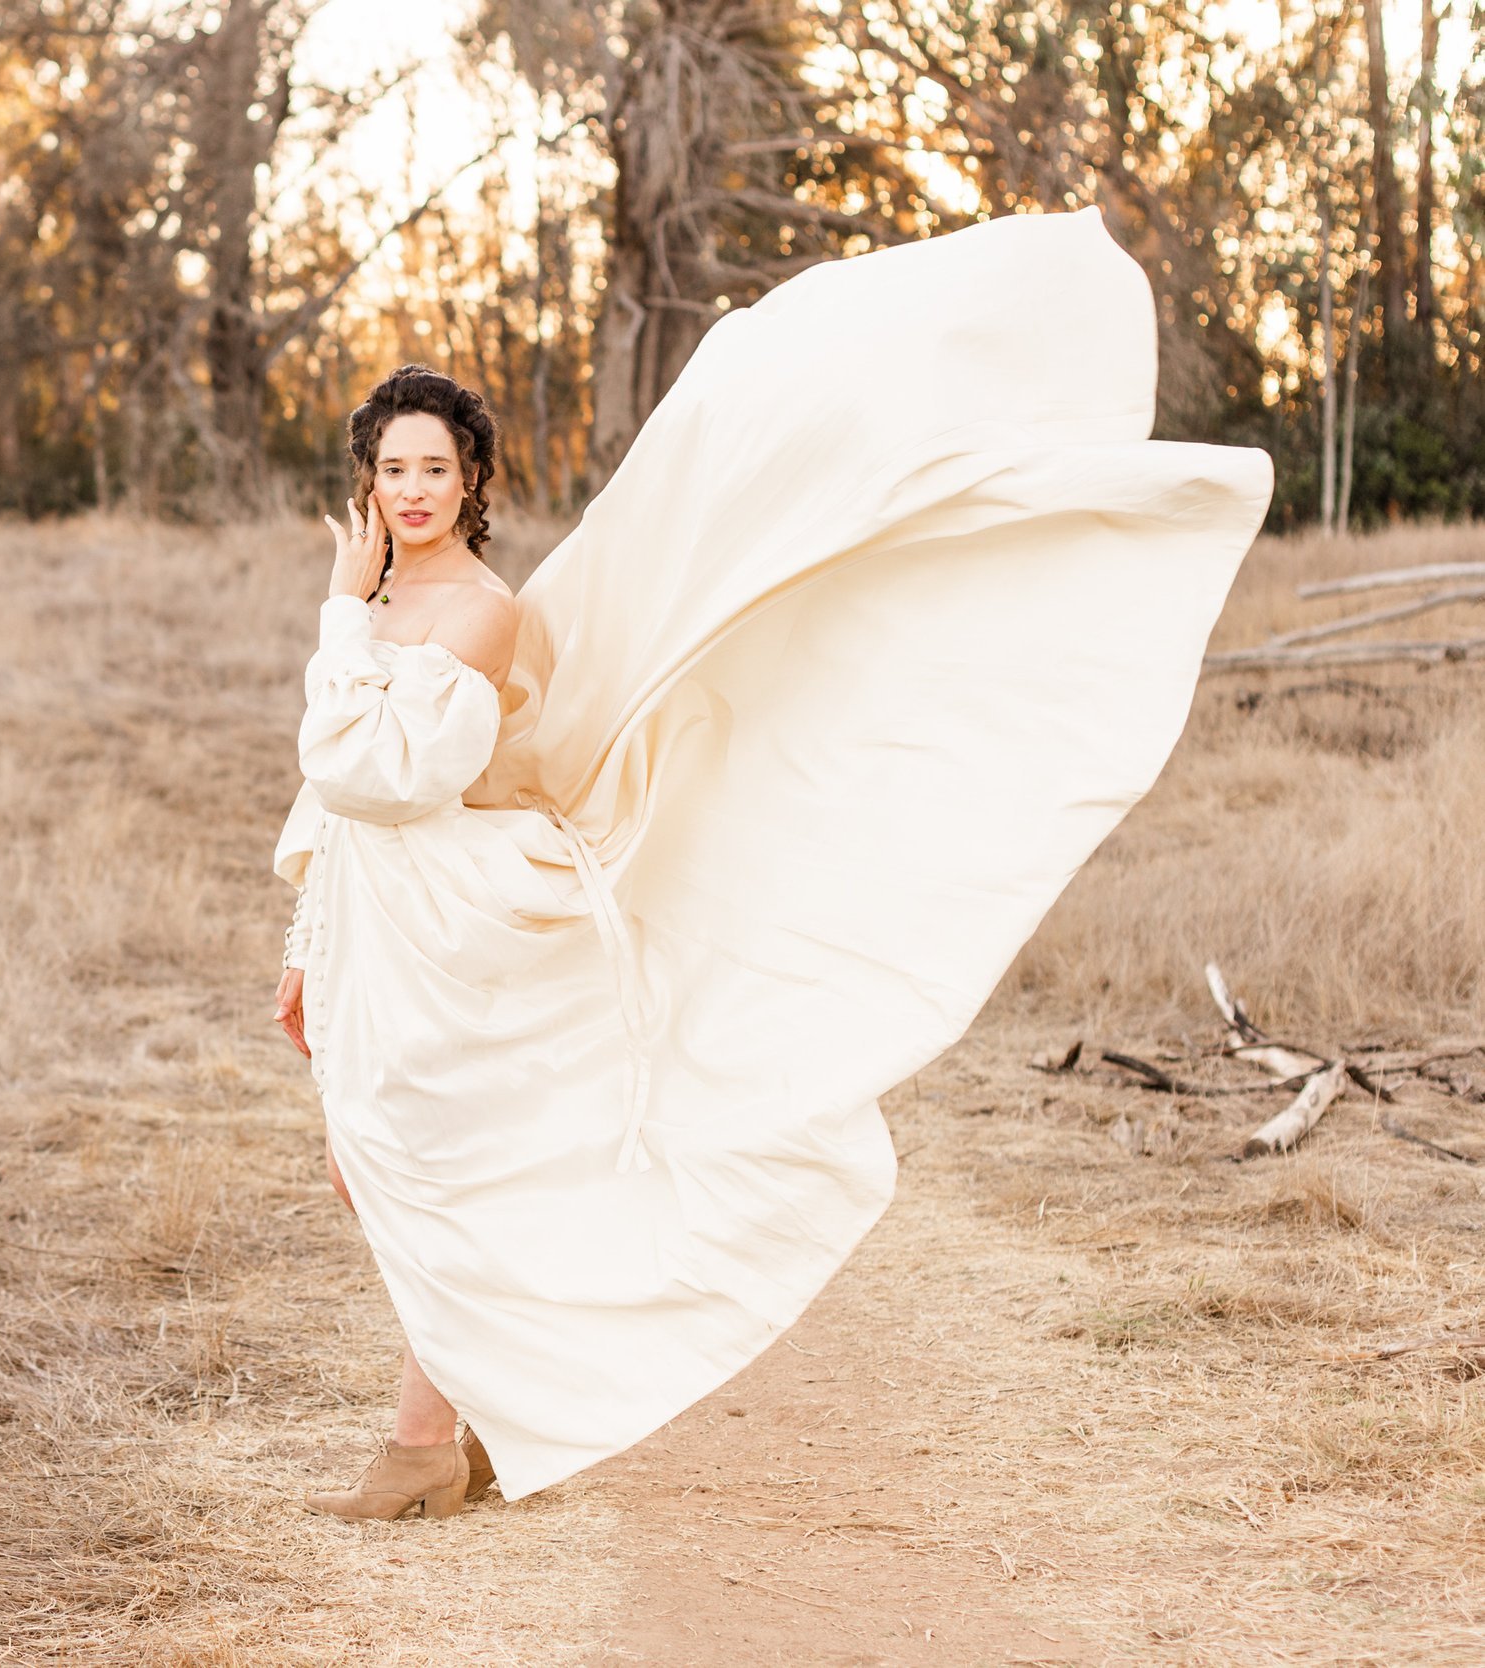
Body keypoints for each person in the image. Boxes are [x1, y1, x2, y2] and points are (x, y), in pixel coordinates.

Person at [269, 206, 1274, 1521]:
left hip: (451, 911)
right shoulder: (387, 601)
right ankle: (451, 1423)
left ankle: (419, 1441)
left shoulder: (477, 610)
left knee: (424, 1162)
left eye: (436, 470)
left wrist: (339, 622)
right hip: (373, 915)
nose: (413, 492)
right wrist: (305, 947)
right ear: (368, 480)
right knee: (372, 1160)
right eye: (394, 469)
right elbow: (330, 797)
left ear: (472, 483)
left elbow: (392, 774)